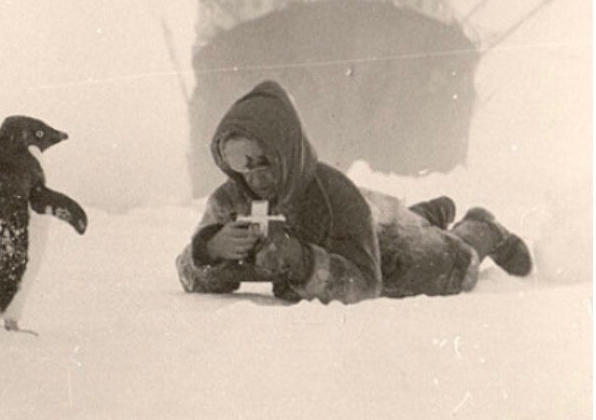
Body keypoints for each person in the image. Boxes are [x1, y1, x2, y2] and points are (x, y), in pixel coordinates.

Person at [176, 81, 532, 304]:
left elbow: (366, 284)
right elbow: (187, 272)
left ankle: (479, 227)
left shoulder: (332, 194)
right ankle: (427, 214)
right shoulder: (231, 200)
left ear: (284, 150)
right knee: (397, 219)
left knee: (456, 265)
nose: (252, 173)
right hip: (365, 220)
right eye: (238, 161)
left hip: (382, 239)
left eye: (262, 159)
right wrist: (210, 250)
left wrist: (299, 261)